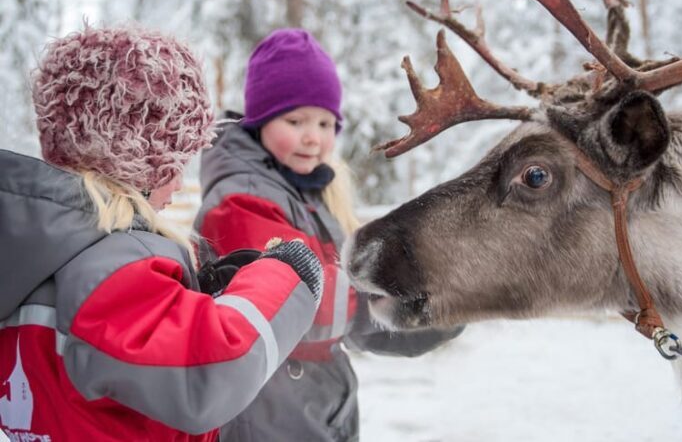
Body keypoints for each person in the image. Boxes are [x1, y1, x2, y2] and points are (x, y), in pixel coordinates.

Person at [0, 24, 325, 441]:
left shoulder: (36, 262)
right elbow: (212, 371)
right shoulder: (106, 270)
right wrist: (286, 277)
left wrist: (197, 299)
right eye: (174, 165)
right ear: (137, 166)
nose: (178, 185)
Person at [194, 28, 462, 442]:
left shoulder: (309, 194)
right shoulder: (242, 199)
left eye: (324, 122)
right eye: (295, 120)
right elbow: (292, 303)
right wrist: (390, 299)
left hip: (314, 406)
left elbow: (344, 307)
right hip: (264, 417)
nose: (312, 137)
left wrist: (436, 311)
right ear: (261, 121)